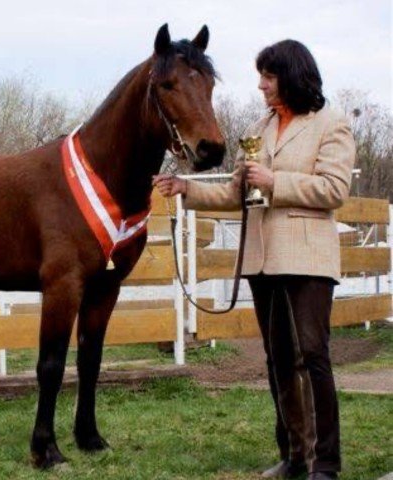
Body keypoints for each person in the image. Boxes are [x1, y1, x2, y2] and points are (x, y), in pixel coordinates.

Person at [153, 40, 355, 480]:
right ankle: (294, 457)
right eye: (260, 76)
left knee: (313, 357)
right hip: (262, 260)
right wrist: (186, 190)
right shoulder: (260, 128)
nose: (261, 85)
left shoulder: (331, 124)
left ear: (291, 75)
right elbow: (236, 194)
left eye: (268, 76)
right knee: (277, 358)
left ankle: (327, 463)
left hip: (307, 260)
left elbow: (334, 190)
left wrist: (275, 180)